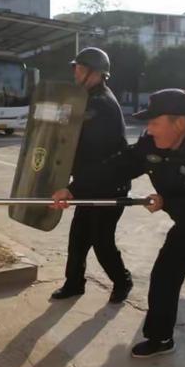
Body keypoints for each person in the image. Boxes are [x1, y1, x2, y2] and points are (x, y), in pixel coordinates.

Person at [55, 88, 185, 357]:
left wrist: (167, 201)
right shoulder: (152, 142)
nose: (149, 129)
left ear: (180, 122)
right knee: (165, 274)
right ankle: (160, 338)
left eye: (154, 122)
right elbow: (120, 164)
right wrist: (74, 190)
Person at [50, 47, 133, 304]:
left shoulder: (102, 105)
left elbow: (99, 160)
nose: (76, 73)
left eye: (81, 69)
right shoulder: (87, 99)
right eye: (75, 68)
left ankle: (123, 280)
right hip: (89, 184)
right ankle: (74, 283)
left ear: (96, 74)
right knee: (78, 239)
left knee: (101, 241)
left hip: (109, 185)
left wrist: (74, 186)